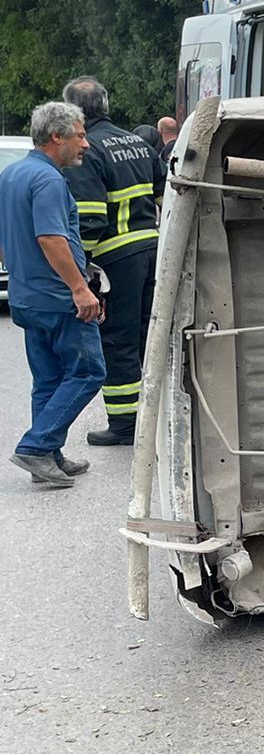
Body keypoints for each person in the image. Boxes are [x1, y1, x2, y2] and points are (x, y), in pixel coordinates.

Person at [0, 101, 105, 487]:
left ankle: (47, 457)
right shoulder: (48, 180)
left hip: (27, 296)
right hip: (58, 298)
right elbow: (50, 238)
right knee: (89, 372)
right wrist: (80, 288)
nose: (86, 144)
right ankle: (36, 446)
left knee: (48, 379)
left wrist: (19, 271)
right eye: (80, 136)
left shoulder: (11, 175)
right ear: (56, 137)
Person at [59, 77, 164, 446]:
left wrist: (80, 267)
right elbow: (166, 195)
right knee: (147, 336)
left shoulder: (87, 151)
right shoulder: (136, 142)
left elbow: (89, 218)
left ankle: (124, 423)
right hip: (153, 251)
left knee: (118, 340)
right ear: (105, 105)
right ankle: (156, 415)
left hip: (116, 258)